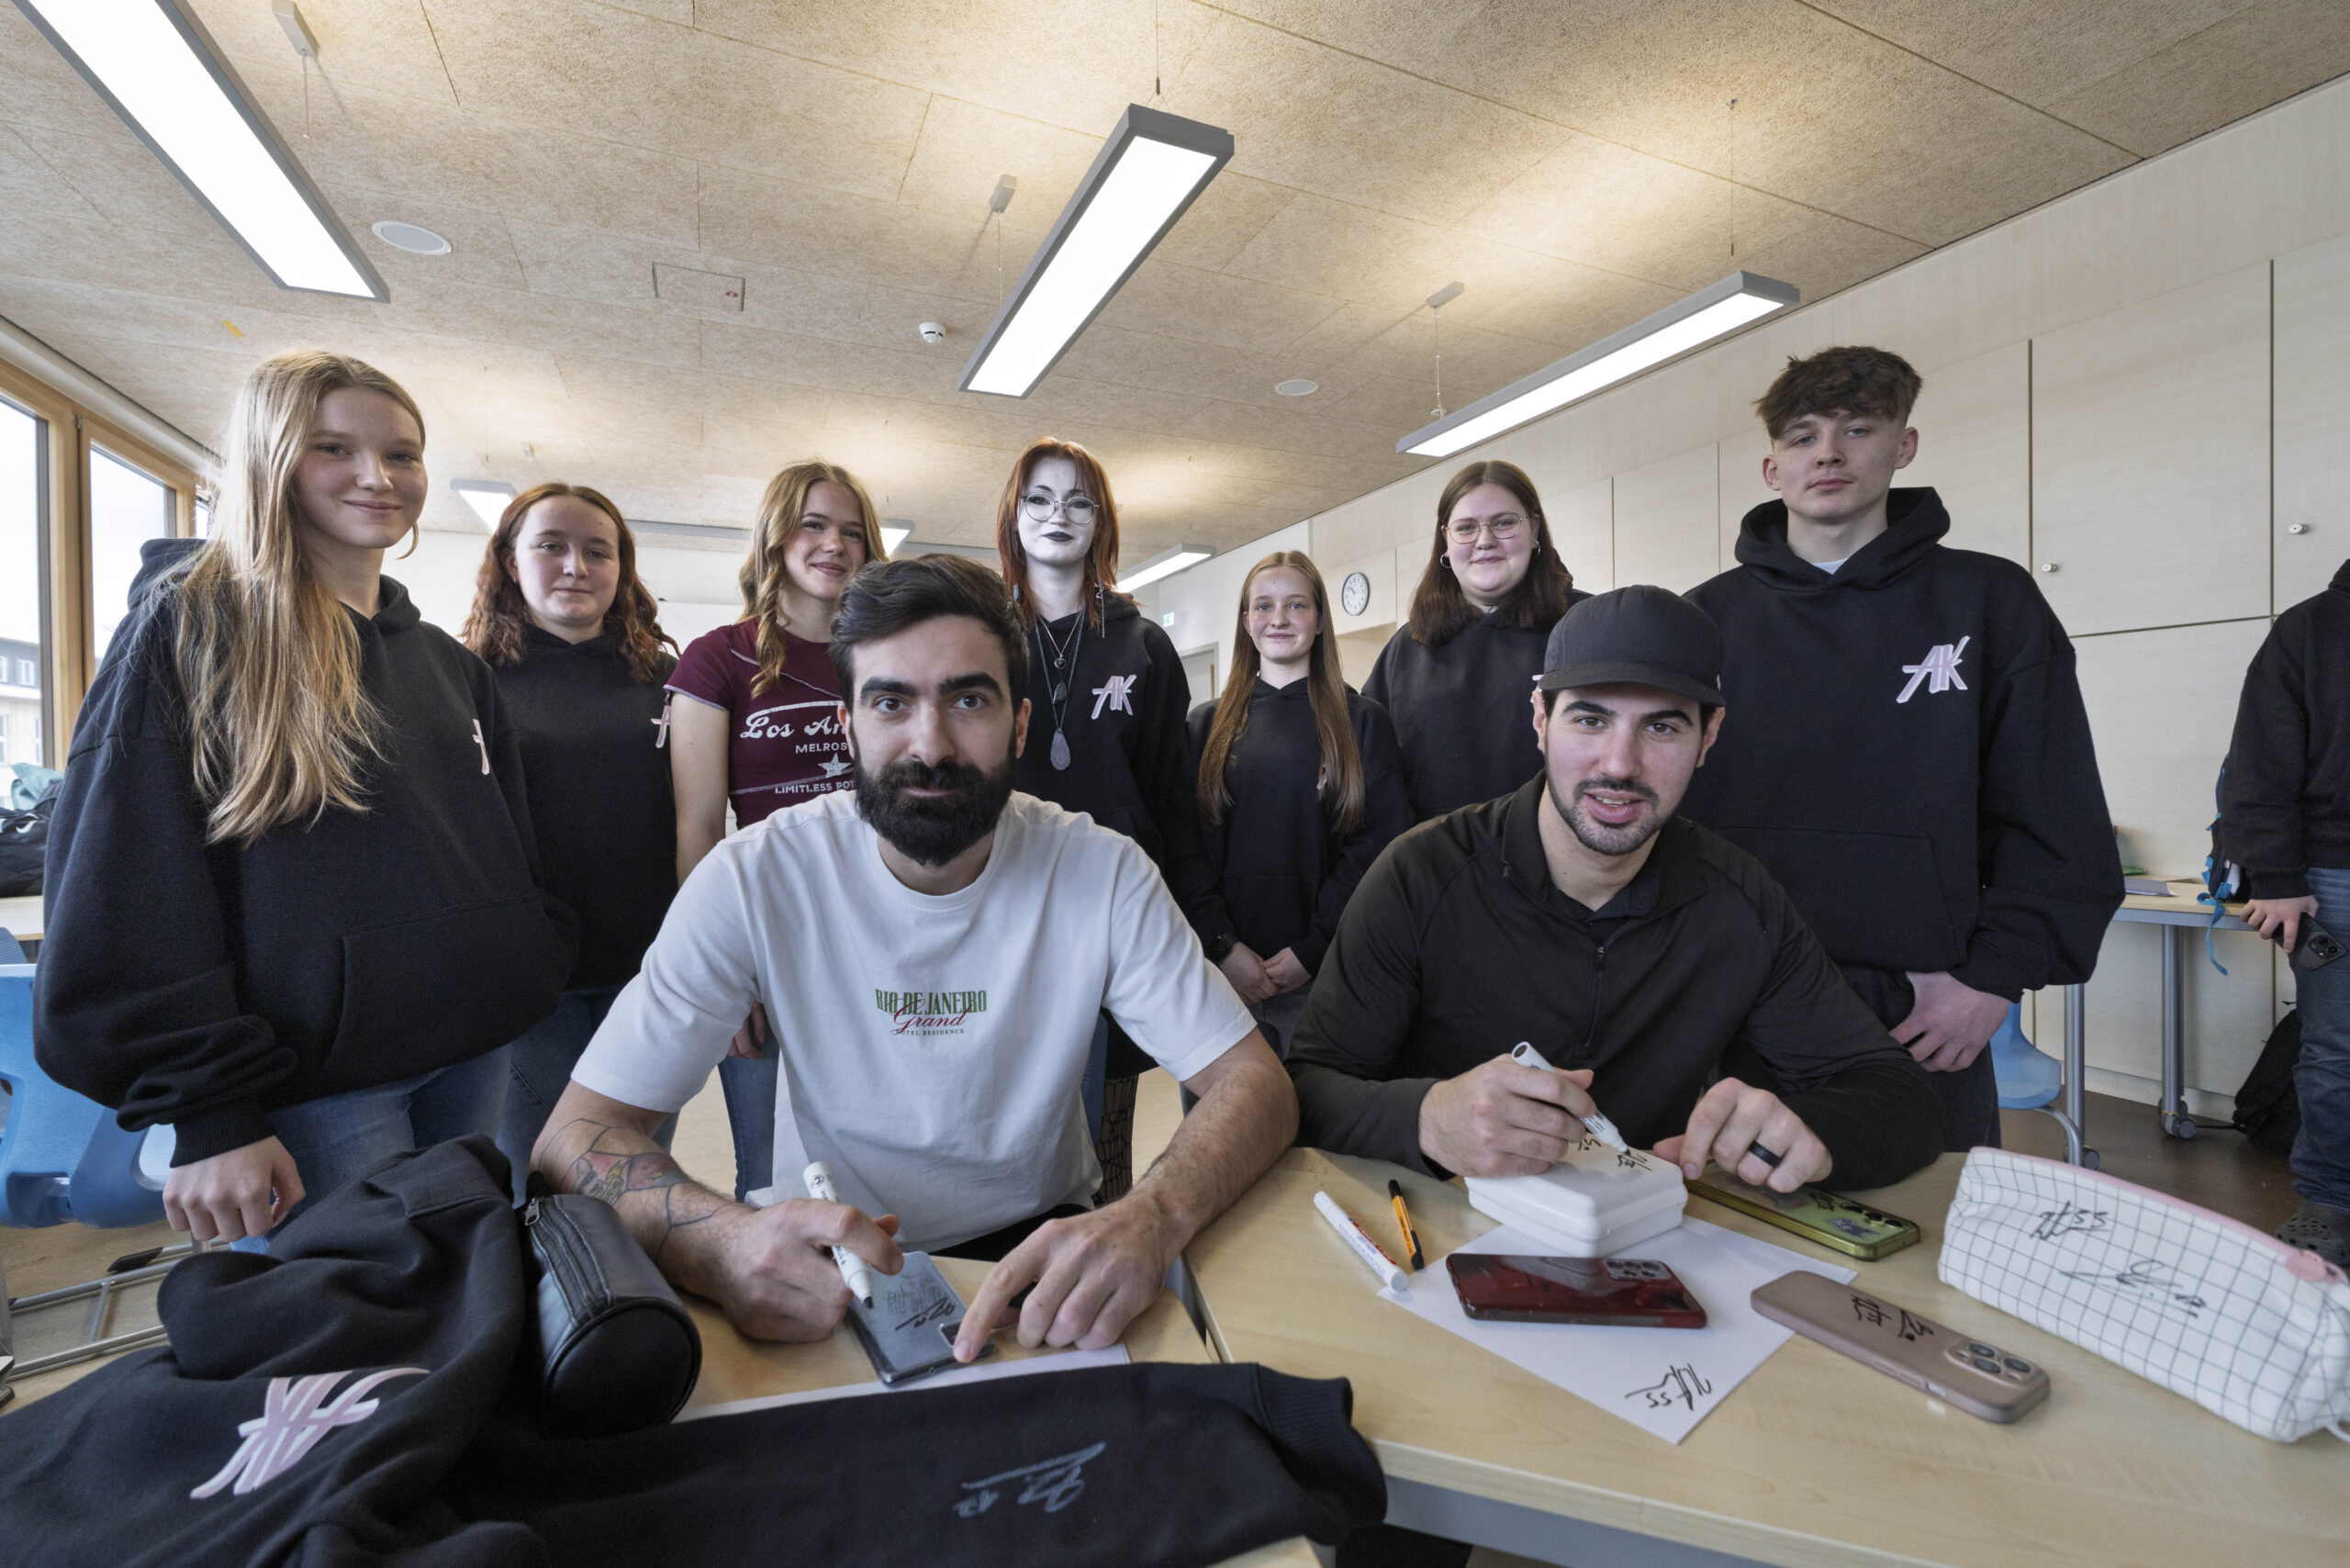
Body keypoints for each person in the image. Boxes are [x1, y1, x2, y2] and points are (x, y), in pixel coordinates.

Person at [532, 554, 1295, 1363]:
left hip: (1036, 1259)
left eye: (969, 699)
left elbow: (1256, 1086)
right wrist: (714, 1242)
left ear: (1022, 726)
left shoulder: (1100, 871)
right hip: (819, 1273)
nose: (929, 745)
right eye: (891, 702)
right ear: (847, 727)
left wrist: (1153, 1213)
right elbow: (574, 1136)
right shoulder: (754, 877)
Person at [34, 348, 571, 1247]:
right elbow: (130, 888)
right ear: (270, 461)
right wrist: (210, 1110)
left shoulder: (448, 666)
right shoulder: (189, 631)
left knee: (462, 1311)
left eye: (402, 454)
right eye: (335, 449)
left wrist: (528, 948)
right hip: (319, 1093)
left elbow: (502, 847)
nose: (377, 476)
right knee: (356, 1351)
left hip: (474, 1048)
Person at [1287, 586, 1944, 1191]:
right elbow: (1307, 1086)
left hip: (1647, 1253)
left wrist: (1812, 1132)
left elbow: (1899, 1095)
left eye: (1662, 727)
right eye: (1590, 720)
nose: (1620, 765)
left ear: (1707, 738)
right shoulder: (1419, 875)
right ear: (1541, 719)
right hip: (1432, 1243)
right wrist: (1424, 1118)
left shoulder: (1740, 900)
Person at [1683, 347, 2121, 1152]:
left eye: (1858, 429)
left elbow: (2054, 814)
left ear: (1904, 446)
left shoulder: (1991, 602)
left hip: (1921, 1010)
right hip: (1733, 1001)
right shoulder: (1701, 622)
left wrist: (1993, 980)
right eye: (1806, 435)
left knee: (1918, 1258)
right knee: (1728, 1250)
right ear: (1772, 464)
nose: (1830, 453)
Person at [995, 436, 1225, 1194]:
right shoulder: (985, 639)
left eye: (1078, 500)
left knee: (1108, 1144)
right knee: (1009, 1119)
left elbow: (1171, 801)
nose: (1058, 514)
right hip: (1006, 913)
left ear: (1101, 521)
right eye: (1039, 498)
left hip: (1113, 916)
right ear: (1013, 514)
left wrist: (1200, 927)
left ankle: (1108, 1256)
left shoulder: (1143, 645)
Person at [667, 460, 886, 1200]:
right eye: (814, 524)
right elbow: (698, 824)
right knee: (765, 1173)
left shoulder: (882, 654)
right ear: (775, 536)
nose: (835, 544)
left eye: (853, 531)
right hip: (762, 933)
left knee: (877, 1157)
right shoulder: (718, 657)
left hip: (880, 934)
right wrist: (721, 970)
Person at [461, 482, 681, 1196]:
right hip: (532, 983)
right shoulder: (468, 678)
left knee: (641, 1179)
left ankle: (630, 1308)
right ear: (510, 560)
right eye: (550, 546)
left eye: (597, 551)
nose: (575, 566)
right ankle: (552, 1309)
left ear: (623, 569)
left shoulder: (665, 680)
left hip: (651, 972)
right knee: (547, 1179)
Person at [1187, 551, 1410, 1053]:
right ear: (1246, 622)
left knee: (1314, 1130)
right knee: (1224, 1131)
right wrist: (1222, 946)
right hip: (1221, 984)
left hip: (1324, 980)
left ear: (1321, 618)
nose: (1279, 619)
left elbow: (1377, 850)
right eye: (1263, 606)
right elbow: (1185, 849)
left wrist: (1313, 949)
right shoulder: (1203, 728)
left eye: (1296, 605)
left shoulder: (1363, 723)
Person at [2224, 563, 2350, 1268]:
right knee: (2337, 1052)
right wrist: (2273, 874)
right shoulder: (2311, 626)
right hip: (2337, 869)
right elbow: (2259, 761)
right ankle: (2333, 1201)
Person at [1363, 460, 1588, 823]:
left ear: (1534, 530)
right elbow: (1371, 772)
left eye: (1503, 523)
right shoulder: (1405, 648)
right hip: (1434, 864)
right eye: (1466, 528)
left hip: (1563, 860)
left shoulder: (1587, 627)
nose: (1485, 541)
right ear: (1446, 543)